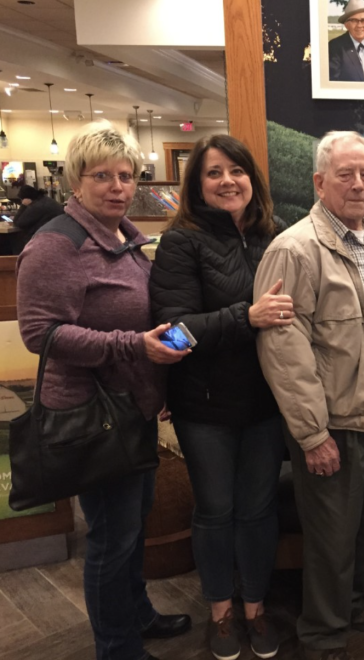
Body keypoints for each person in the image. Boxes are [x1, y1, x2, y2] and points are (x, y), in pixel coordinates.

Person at [15, 121, 191, 660]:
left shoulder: (123, 238)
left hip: (129, 409)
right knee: (110, 540)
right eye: (102, 177)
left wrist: (154, 378)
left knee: (130, 529)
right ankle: (115, 647)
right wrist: (134, 347)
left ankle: (134, 614)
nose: (117, 187)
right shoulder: (54, 246)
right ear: (75, 181)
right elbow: (39, 334)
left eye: (125, 176)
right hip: (91, 415)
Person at [254, 131, 364, 660]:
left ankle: (350, 605)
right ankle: (323, 636)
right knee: (331, 533)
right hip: (334, 416)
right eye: (346, 174)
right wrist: (311, 434)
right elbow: (283, 351)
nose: (358, 184)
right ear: (319, 181)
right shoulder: (294, 248)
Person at [149, 134, 291, 660]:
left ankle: (255, 608)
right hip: (204, 405)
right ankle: (221, 613)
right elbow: (172, 333)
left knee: (258, 509)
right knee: (214, 510)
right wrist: (244, 317)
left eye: (236, 170)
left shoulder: (272, 237)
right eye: (213, 173)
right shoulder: (179, 242)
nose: (227, 181)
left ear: (252, 179)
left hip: (265, 402)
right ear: (197, 185)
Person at [328, 0, 364, 83]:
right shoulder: (335, 47)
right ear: (346, 25)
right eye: (354, 20)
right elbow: (332, 83)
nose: (359, 25)